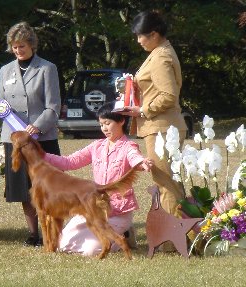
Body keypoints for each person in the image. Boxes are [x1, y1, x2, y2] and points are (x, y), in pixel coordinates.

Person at [43, 102, 153, 256]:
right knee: (63, 244)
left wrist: (142, 163)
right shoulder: (96, 146)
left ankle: (123, 237)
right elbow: (69, 162)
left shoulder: (129, 146)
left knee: (90, 251)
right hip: (93, 209)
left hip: (118, 212)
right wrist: (41, 155)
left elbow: (135, 158)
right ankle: (122, 235)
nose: (104, 128)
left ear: (121, 121)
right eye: (101, 124)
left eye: (108, 123)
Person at [0, 22, 61, 247]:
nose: (18, 50)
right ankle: (33, 234)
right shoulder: (5, 70)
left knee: (47, 189)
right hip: (15, 139)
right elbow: (2, 105)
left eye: (22, 46)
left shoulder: (47, 69)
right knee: (24, 190)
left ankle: (53, 233)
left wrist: (37, 126)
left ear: (32, 45)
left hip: (41, 139)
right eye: (14, 47)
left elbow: (53, 106)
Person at [121, 11, 188, 251]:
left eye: (141, 36)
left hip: (162, 128)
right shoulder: (158, 53)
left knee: (165, 182)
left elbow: (169, 95)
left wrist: (142, 110)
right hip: (161, 126)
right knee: (168, 181)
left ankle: (175, 240)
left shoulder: (160, 57)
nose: (138, 40)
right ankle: (181, 236)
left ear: (154, 34)